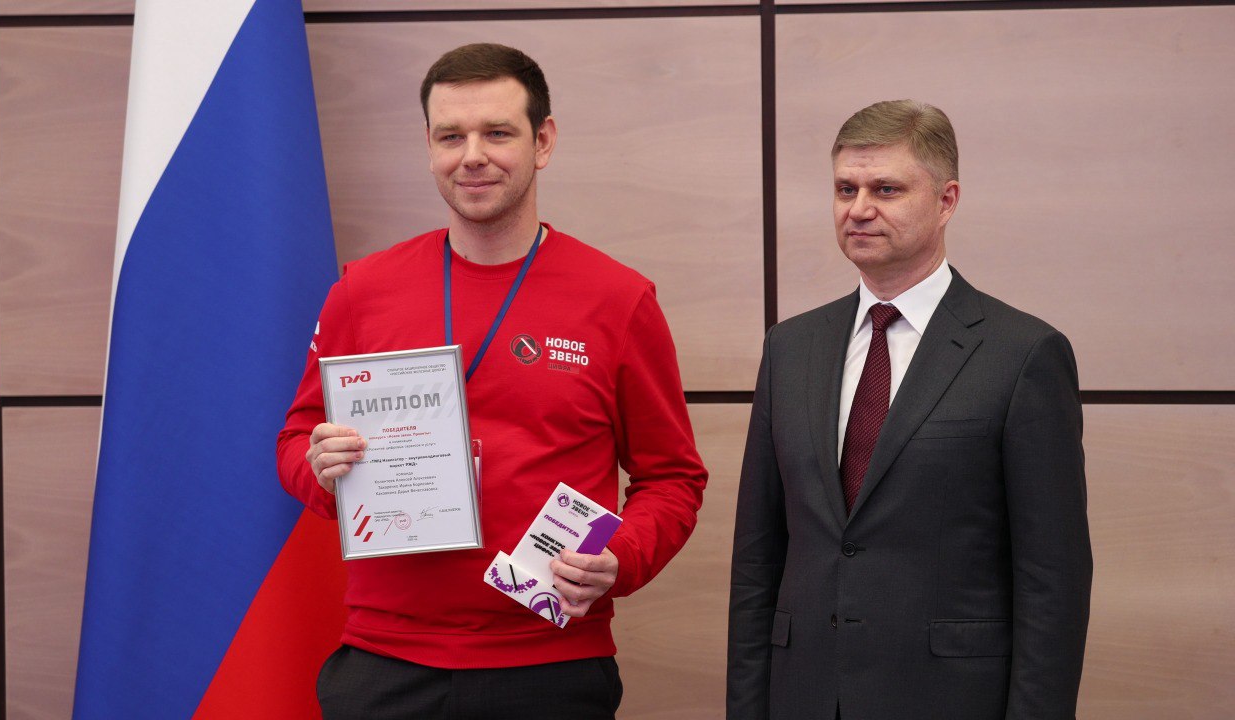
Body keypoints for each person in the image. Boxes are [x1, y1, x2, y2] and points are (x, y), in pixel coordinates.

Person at [277, 43, 707, 719]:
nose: (472, 156)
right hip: (385, 663)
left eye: (498, 133)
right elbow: (296, 440)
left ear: (544, 141)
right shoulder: (362, 292)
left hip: (549, 664)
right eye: (451, 136)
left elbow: (673, 477)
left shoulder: (618, 300)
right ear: (428, 146)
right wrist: (318, 469)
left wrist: (619, 558)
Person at [727, 100, 1092, 720]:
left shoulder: (1023, 353)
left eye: (886, 189)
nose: (859, 208)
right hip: (803, 694)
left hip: (950, 698)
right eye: (846, 189)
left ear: (947, 200)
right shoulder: (790, 348)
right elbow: (757, 559)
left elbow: (1052, 579)